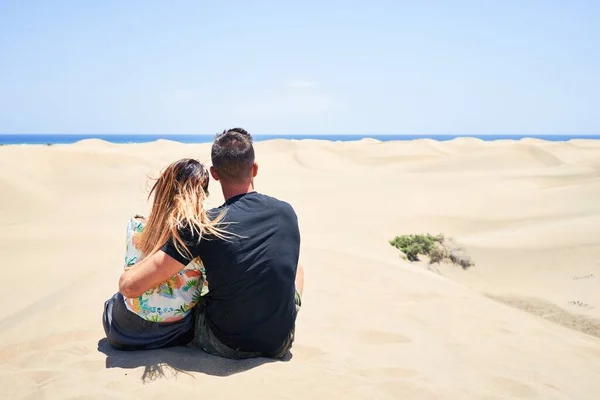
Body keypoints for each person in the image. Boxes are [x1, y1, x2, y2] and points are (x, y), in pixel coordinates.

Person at [119, 128, 304, 359]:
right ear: (254, 168)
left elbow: (130, 287)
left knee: (198, 297)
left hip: (226, 344)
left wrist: (131, 272)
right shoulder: (286, 212)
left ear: (214, 174)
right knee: (298, 269)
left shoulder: (205, 225)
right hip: (281, 342)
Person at [103, 158, 222, 350]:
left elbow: (130, 271)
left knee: (113, 302)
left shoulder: (136, 227)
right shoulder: (202, 238)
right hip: (175, 334)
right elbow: (209, 285)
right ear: (202, 195)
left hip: (122, 332)